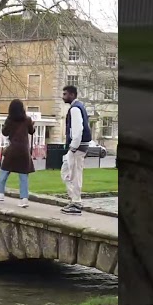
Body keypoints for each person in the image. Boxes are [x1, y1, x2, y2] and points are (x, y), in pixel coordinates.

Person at [0, 99, 35, 208]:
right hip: (24, 150)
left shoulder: (10, 120)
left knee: (4, 171)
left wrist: (5, 125)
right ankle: (24, 198)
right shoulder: (27, 120)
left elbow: (4, 132)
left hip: (12, 149)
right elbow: (32, 131)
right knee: (23, 175)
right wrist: (32, 125)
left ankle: (0, 193)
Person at [60, 85, 90, 215]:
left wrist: (72, 148)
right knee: (71, 173)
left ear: (72, 95)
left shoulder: (75, 109)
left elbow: (78, 130)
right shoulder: (79, 107)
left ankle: (76, 202)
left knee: (71, 174)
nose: (63, 96)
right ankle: (75, 200)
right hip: (80, 146)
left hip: (77, 147)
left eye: (65, 94)